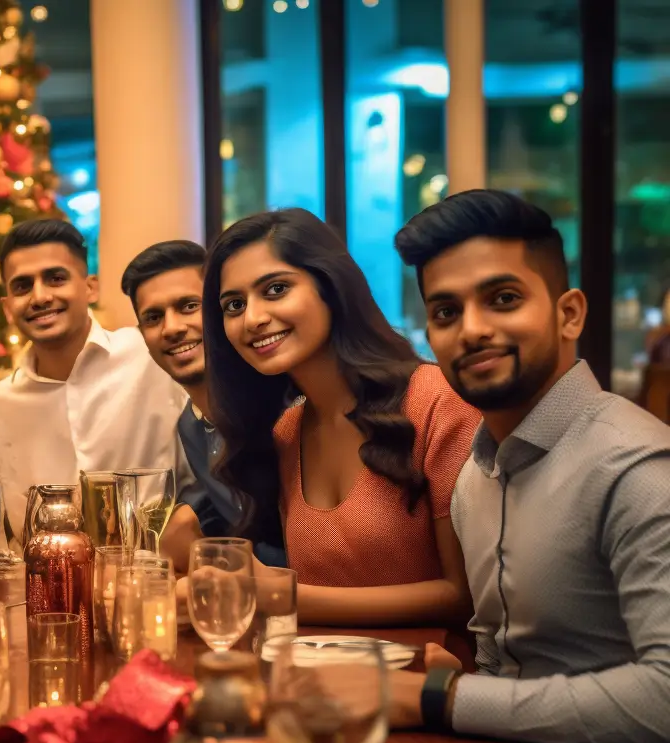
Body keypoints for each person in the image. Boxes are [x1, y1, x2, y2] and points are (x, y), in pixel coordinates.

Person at [387, 189, 670, 743]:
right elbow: (504, 661)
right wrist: (464, 678)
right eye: (446, 312)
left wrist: (448, 698)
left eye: (503, 299)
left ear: (569, 312)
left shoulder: (635, 467)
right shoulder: (478, 473)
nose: (472, 329)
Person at [201, 208, 479, 626]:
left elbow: (464, 595)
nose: (253, 319)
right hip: (313, 677)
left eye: (275, 289)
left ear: (331, 287)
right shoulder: (287, 431)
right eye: (234, 305)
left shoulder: (435, 402)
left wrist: (275, 592)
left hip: (424, 680)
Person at [0, 219, 188, 548]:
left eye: (56, 278)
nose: (40, 297)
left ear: (90, 287)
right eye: (22, 286)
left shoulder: (151, 358)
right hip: (48, 589)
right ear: (8, 308)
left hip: (156, 581)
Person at [122, 240, 286, 568]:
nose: (172, 328)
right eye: (154, 318)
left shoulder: (283, 405)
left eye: (188, 306)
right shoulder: (190, 425)